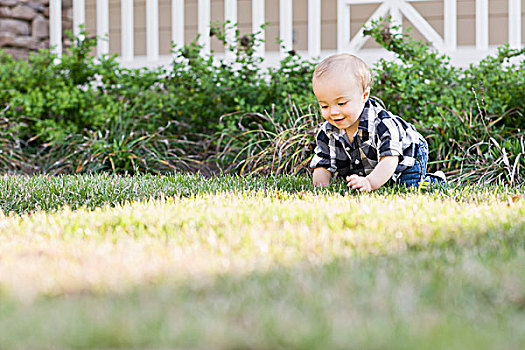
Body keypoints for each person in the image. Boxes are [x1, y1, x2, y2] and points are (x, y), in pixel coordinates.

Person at [309, 53, 445, 190]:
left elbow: (390, 159)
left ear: (364, 96)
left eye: (342, 103)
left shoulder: (382, 124)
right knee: (381, 183)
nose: (333, 112)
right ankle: (378, 178)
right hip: (373, 163)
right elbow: (323, 164)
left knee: (408, 187)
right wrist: (320, 189)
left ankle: (436, 179)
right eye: (324, 106)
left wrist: (370, 182)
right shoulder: (328, 131)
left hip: (406, 154)